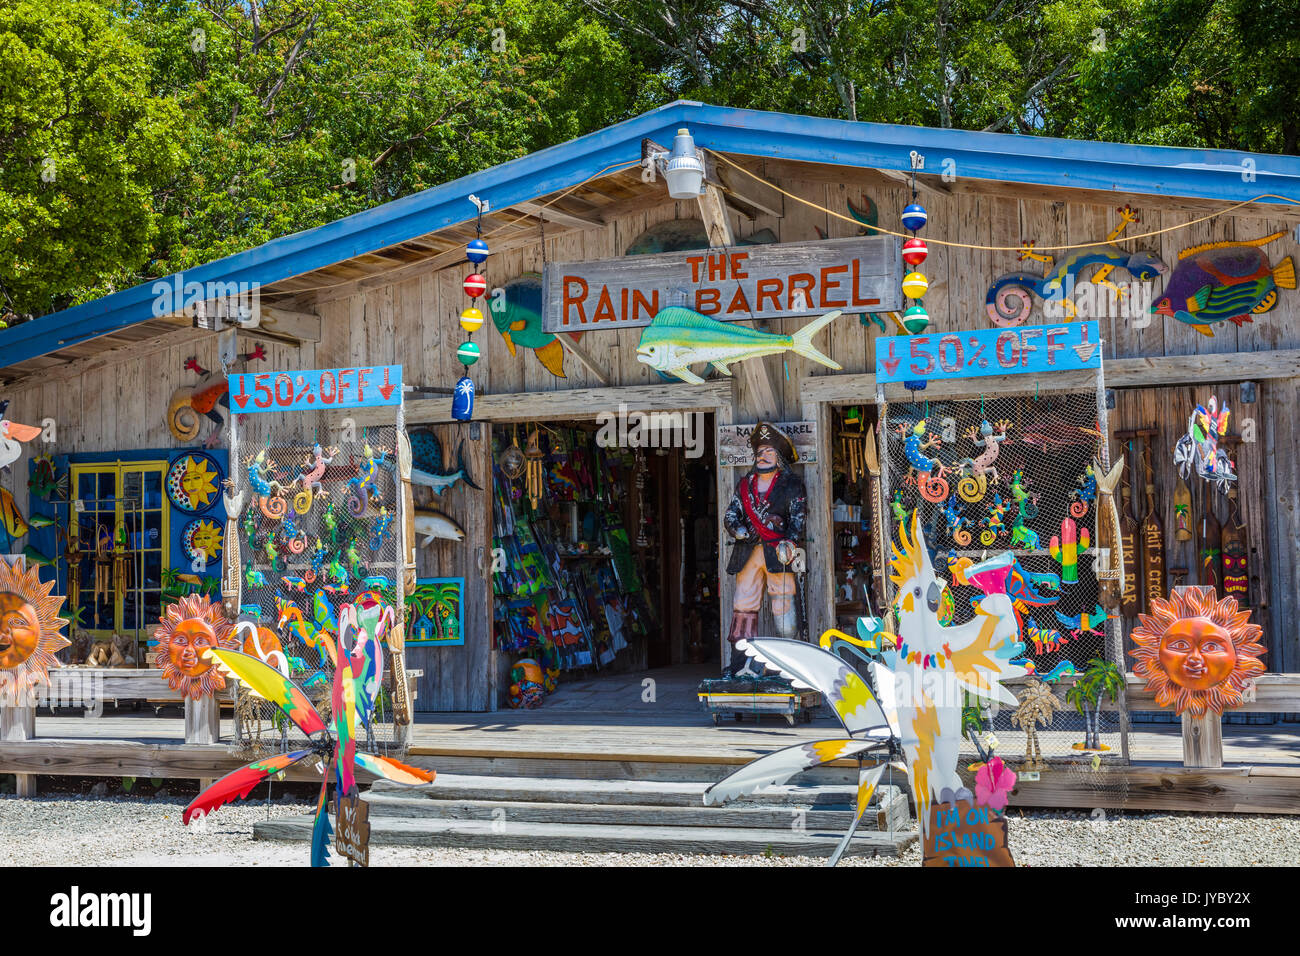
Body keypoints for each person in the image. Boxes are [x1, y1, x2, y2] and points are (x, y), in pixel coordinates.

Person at [723, 422, 807, 676]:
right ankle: (740, 665)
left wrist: (790, 542)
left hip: (778, 553)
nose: (762, 456)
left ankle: (787, 666)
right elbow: (731, 513)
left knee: (783, 606)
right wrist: (738, 529)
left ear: (779, 457)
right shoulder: (744, 485)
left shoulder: (791, 485)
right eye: (760, 452)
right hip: (747, 552)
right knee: (743, 606)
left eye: (769, 452)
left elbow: (798, 519)